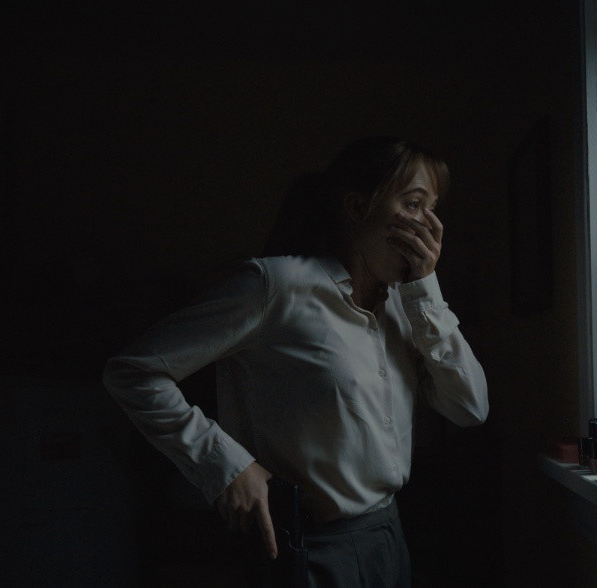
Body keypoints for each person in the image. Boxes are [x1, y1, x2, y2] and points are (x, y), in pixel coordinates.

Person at [103, 137, 488, 587]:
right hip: (307, 550)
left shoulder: (410, 308)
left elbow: (470, 408)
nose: (430, 228)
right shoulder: (274, 287)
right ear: (358, 208)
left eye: (433, 209)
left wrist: (425, 290)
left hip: (388, 538)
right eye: (414, 204)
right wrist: (226, 465)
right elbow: (134, 371)